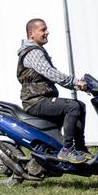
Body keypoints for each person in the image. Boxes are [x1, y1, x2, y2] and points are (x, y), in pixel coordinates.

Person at [17, 18, 91, 164]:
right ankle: (67, 150)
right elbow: (50, 73)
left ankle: (80, 148)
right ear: (32, 33)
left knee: (80, 105)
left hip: (41, 99)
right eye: (43, 30)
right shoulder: (33, 53)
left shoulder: (37, 50)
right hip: (36, 101)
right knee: (73, 106)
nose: (47, 32)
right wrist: (75, 83)